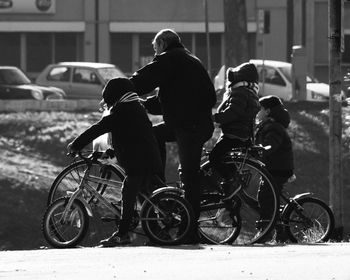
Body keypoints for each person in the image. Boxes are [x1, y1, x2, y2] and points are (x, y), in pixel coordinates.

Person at [130, 28, 216, 243]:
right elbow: (169, 100)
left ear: (161, 45)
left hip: (189, 127)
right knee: (154, 134)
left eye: (155, 48)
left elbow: (143, 79)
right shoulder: (190, 60)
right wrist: (144, 104)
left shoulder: (169, 59)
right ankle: (159, 181)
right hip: (193, 123)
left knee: (189, 176)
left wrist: (120, 89)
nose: (155, 53)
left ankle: (190, 229)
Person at [67, 77, 163, 247]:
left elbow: (97, 128)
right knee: (145, 197)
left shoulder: (121, 112)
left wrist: (76, 144)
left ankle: (123, 234)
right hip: (148, 159)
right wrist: (110, 151)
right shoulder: (135, 108)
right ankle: (156, 232)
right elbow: (129, 136)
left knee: (128, 192)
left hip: (138, 162)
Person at [209, 62, 260, 199]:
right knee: (221, 157)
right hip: (243, 135)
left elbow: (233, 112)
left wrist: (215, 118)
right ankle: (231, 180)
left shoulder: (240, 92)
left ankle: (232, 180)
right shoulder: (250, 93)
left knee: (214, 157)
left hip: (234, 135)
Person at [255, 95, 294, 241]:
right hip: (273, 167)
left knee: (266, 196)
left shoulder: (273, 127)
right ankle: (278, 229)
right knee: (269, 197)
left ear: (267, 111)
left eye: (260, 109)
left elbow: (271, 145)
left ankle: (267, 230)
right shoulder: (268, 125)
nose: (257, 112)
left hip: (278, 168)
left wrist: (262, 149)